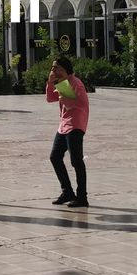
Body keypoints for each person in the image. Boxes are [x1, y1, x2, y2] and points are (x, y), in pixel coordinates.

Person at [46, 55, 90, 209]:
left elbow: (82, 103)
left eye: (57, 68)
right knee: (55, 157)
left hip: (76, 124)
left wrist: (66, 98)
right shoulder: (62, 82)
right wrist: (51, 82)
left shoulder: (76, 83)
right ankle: (67, 192)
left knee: (76, 160)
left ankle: (82, 197)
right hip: (64, 124)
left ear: (65, 69)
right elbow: (50, 98)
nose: (54, 70)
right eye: (53, 68)